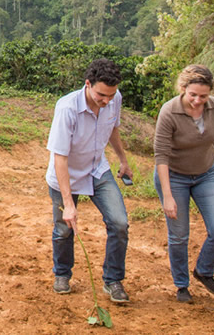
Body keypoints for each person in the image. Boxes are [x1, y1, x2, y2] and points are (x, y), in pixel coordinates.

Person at [45, 58, 133, 303]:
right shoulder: (67, 109)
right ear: (87, 84)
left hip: (97, 169)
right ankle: (62, 274)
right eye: (101, 95)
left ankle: (113, 280)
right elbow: (60, 158)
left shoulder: (114, 99)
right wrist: (69, 204)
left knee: (119, 223)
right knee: (64, 229)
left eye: (111, 96)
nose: (106, 101)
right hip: (66, 175)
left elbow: (113, 128)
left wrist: (123, 160)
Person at [154, 64, 214, 304]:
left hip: (206, 173)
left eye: (203, 96)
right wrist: (167, 195)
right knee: (179, 235)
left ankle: (204, 271)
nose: (198, 100)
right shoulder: (169, 111)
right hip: (174, 176)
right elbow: (161, 155)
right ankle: (181, 285)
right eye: (193, 95)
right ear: (183, 89)